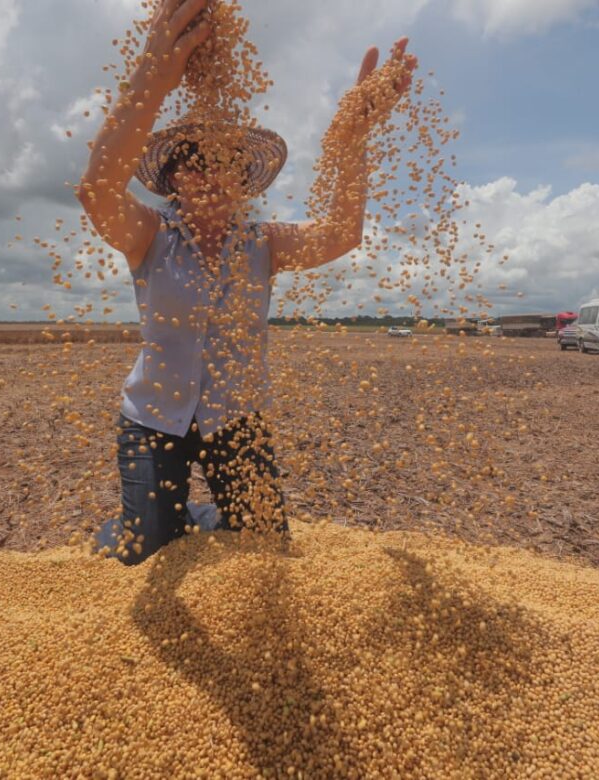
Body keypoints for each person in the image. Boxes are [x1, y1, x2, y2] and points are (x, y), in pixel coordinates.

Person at [77, 0, 417, 563]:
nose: (213, 175)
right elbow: (96, 194)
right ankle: (155, 522)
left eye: (229, 164)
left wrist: (355, 138)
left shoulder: (262, 243)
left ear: (244, 183)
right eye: (195, 161)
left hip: (236, 417)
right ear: (172, 179)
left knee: (266, 551)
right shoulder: (150, 235)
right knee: (144, 554)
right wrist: (153, 78)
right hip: (153, 416)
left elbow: (339, 234)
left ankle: (197, 517)